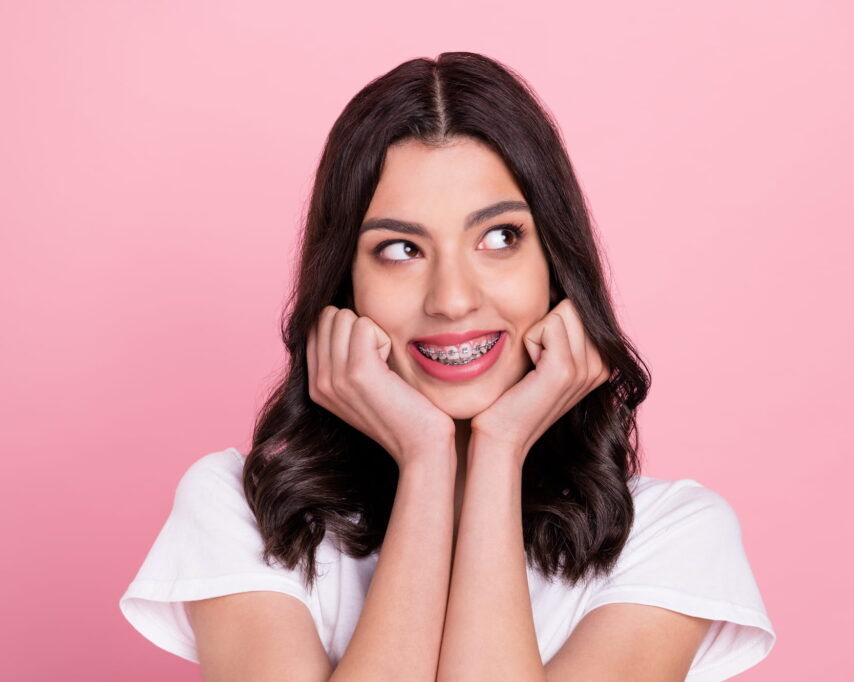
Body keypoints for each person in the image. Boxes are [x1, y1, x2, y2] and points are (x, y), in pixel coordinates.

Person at [119, 51, 776, 681]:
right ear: (345, 285)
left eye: (500, 238)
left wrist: (498, 449)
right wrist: (427, 458)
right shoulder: (241, 510)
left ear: (556, 268)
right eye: (401, 248)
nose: (454, 299)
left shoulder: (670, 537)